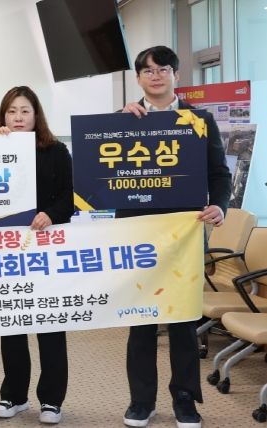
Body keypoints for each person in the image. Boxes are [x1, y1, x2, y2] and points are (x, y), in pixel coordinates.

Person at [120, 46, 231, 428]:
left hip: (184, 234)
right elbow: (103, 173)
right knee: (141, 321)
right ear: (138, 78)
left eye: (163, 69)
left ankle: (185, 400)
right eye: (148, 70)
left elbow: (219, 174)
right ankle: (141, 402)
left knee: (183, 322)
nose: (155, 76)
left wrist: (220, 206)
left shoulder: (199, 120)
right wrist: (118, 126)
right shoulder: (123, 120)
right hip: (138, 235)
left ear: (176, 75)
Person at [0, 86, 74, 424]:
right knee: (12, 324)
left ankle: (52, 400)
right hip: (8, 250)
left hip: (46, 248)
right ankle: (14, 395)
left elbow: (70, 197)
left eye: (25, 110)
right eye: (11, 111)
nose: (18, 117)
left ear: (36, 115)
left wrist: (51, 214)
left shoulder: (56, 150)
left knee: (50, 325)